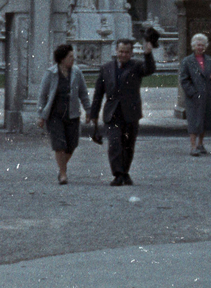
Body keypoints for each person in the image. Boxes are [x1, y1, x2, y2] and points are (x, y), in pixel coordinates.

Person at [88, 35, 156, 186]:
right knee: (114, 143)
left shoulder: (137, 66)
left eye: (126, 52)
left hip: (131, 113)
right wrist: (93, 114)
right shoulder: (106, 68)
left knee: (128, 145)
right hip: (112, 113)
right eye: (121, 51)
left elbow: (150, 69)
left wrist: (148, 53)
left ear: (131, 53)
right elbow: (98, 93)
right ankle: (118, 174)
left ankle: (125, 172)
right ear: (116, 51)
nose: (123, 55)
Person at [36, 43, 92, 185]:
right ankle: (63, 173)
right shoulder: (51, 73)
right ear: (62, 59)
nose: (73, 59)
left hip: (72, 114)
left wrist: (88, 111)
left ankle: (62, 167)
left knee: (72, 145)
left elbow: (83, 93)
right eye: (70, 57)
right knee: (59, 144)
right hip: (55, 115)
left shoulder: (77, 73)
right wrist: (41, 115)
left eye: (73, 56)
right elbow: (42, 96)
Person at [179, 32, 211, 157]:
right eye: (198, 45)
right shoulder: (187, 61)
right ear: (193, 46)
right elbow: (184, 79)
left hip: (206, 95)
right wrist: (192, 92)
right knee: (193, 121)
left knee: (204, 120)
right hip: (194, 97)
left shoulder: (209, 60)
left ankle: (201, 144)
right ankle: (193, 146)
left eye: (202, 45)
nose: (200, 47)